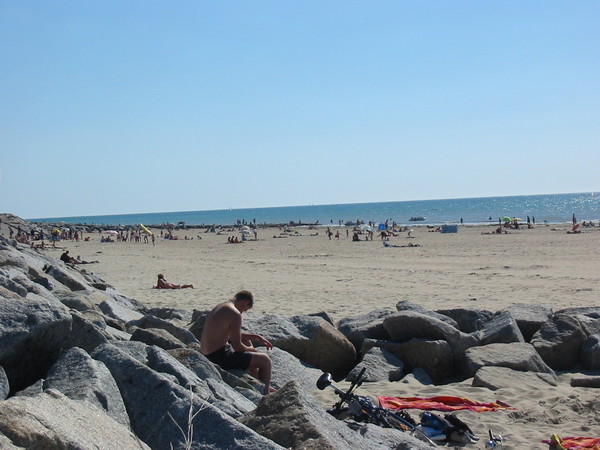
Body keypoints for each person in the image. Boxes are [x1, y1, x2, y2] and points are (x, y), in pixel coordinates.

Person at [200, 290, 273, 395]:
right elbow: (238, 347)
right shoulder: (235, 313)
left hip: (207, 353)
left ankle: (257, 380)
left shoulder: (221, 306)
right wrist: (251, 350)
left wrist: (256, 337)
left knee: (246, 340)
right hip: (220, 357)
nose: (242, 312)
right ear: (245, 302)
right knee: (265, 360)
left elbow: (229, 334)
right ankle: (265, 393)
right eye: (245, 310)